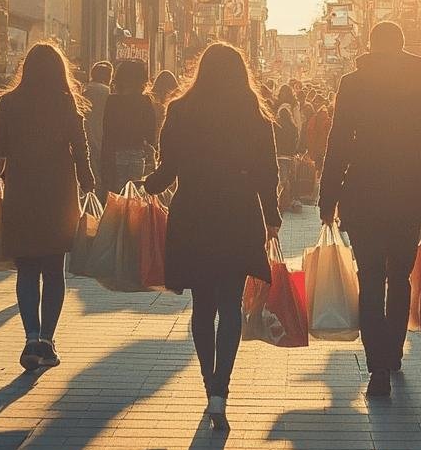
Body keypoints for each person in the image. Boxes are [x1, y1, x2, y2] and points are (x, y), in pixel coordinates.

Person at [142, 43, 282, 430]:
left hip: (194, 215)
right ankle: (223, 388)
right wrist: (271, 217)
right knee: (230, 305)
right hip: (238, 214)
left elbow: (167, 169)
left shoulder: (181, 110)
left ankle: (209, 387)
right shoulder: (253, 113)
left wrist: (145, 187)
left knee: (202, 306)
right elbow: (266, 173)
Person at [319, 21, 421, 398]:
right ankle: (393, 353)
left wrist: (328, 199)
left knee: (370, 277)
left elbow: (338, 141)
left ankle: (375, 365)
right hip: (409, 195)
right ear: (403, 45)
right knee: (400, 276)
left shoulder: (354, 84)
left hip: (363, 193)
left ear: (372, 47)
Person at [0, 43, 95, 372]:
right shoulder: (65, 103)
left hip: (21, 193)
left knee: (27, 269)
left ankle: (31, 337)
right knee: (53, 269)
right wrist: (88, 181)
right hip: (58, 196)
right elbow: (80, 147)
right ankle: (47, 340)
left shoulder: (9, 102)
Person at [101, 58, 156, 192]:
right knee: (135, 195)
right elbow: (151, 133)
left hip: (115, 153)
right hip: (138, 152)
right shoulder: (145, 101)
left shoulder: (112, 101)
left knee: (118, 195)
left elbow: (107, 132)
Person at [83, 61, 113, 198]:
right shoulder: (109, 93)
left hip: (87, 135)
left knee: (92, 170)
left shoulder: (85, 91)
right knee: (104, 172)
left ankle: (91, 201)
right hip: (105, 136)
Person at [274, 103, 300, 212]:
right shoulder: (293, 127)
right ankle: (289, 200)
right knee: (290, 179)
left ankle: (280, 201)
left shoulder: (276, 125)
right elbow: (296, 141)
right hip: (289, 156)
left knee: (282, 179)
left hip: (279, 155)